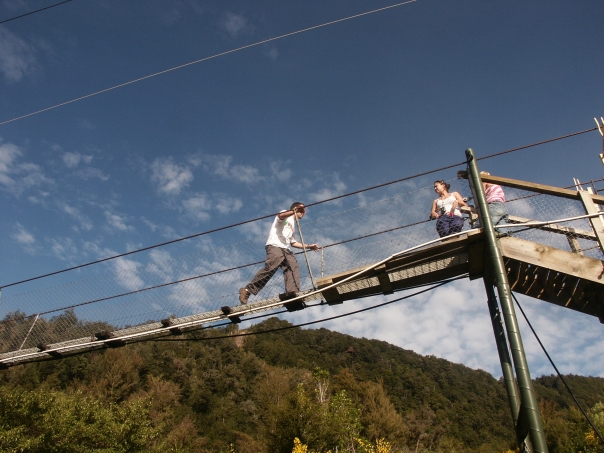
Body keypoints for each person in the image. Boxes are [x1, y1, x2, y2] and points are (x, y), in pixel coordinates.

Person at [239, 202, 319, 305]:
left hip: (286, 249)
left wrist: (308, 246)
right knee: (271, 267)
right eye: (302, 210)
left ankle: (293, 293)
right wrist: (293, 211)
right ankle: (247, 291)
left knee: (293, 267)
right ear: (296, 208)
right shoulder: (286, 214)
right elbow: (280, 216)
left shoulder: (293, 225)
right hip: (275, 245)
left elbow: (293, 243)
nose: (304, 212)